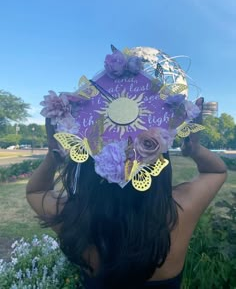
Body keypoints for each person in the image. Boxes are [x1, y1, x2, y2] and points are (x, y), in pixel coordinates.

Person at [26, 47, 227, 289]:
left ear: (89, 161)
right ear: (156, 156)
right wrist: (193, 148)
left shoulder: (74, 217)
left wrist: (54, 155)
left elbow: (35, 192)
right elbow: (216, 171)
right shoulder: (181, 211)